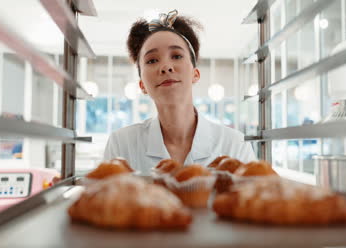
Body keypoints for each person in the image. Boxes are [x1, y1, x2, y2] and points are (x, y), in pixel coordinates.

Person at [103, 10, 256, 174]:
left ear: (195, 74)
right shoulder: (121, 144)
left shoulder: (234, 144)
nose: (166, 67)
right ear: (142, 86)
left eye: (176, 56)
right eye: (152, 60)